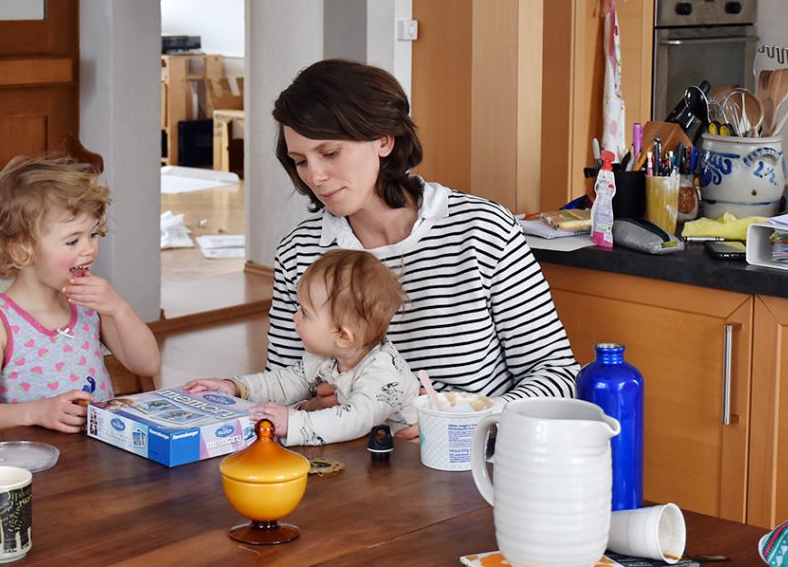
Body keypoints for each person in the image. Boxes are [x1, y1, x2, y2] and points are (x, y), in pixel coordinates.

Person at [268, 59, 579, 435]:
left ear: (383, 140)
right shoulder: (299, 253)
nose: (314, 176)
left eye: (330, 153)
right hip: (350, 468)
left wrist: (471, 418)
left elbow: (557, 374)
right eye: (300, 161)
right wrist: (318, 407)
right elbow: (285, 387)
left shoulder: (482, 230)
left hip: (471, 467)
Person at [0, 155, 161, 434]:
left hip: (99, 453)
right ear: (21, 250)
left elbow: (147, 364)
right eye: (73, 240)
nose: (89, 249)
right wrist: (39, 411)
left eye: (93, 234)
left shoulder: (88, 304)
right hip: (36, 461)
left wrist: (119, 309)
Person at [184, 249, 419, 446]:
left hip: (404, 460)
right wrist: (235, 387)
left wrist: (293, 422)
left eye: (305, 313)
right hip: (362, 450)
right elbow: (286, 381)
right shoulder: (328, 357)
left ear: (343, 335)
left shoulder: (382, 372)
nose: (295, 317)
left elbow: (356, 419)